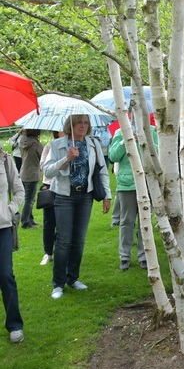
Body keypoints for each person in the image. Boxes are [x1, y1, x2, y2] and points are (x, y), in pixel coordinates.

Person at [43, 115, 111, 299]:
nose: (83, 125)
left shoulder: (93, 144)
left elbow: (102, 170)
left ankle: (72, 278)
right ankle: (58, 284)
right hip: (64, 196)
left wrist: (107, 195)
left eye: (86, 122)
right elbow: (47, 171)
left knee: (79, 240)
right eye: (79, 122)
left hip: (85, 196)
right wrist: (66, 159)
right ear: (70, 125)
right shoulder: (57, 145)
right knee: (64, 240)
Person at [109, 122, 158, 270]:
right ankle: (124, 256)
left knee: (145, 221)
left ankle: (144, 256)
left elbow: (158, 154)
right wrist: (127, 140)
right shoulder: (120, 132)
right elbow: (113, 156)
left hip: (147, 182)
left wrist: (144, 140)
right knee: (126, 221)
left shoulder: (152, 131)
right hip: (127, 184)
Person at [0, 145, 25, 343]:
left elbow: (19, 191)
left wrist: (10, 210)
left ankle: (14, 324)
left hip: (2, 227)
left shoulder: (5, 159)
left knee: (6, 275)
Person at [38, 132, 64, 265]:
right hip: (49, 186)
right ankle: (48, 252)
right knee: (49, 222)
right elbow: (43, 165)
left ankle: (62, 251)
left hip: (64, 187)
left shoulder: (71, 146)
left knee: (63, 223)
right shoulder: (49, 146)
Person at [19, 129, 43, 228]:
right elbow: (42, 157)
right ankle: (25, 222)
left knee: (28, 199)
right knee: (29, 200)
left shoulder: (22, 141)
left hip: (24, 172)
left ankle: (30, 219)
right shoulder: (36, 144)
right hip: (32, 174)